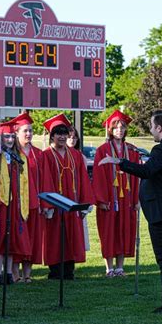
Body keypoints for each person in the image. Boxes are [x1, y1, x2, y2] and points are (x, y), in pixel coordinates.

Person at [98, 110, 162, 314]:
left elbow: (147, 171)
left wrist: (119, 162)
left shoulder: (161, 150)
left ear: (159, 128)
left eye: (151, 125)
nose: (150, 129)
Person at [41, 114, 94, 280]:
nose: (63, 137)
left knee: (72, 235)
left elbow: (84, 179)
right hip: (55, 203)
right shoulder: (46, 155)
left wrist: (85, 204)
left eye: (65, 134)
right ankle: (55, 271)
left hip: (73, 203)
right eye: (58, 134)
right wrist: (48, 205)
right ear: (52, 136)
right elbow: (45, 180)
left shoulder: (76, 155)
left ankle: (69, 270)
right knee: (55, 236)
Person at [92, 110, 140, 277]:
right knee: (109, 232)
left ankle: (120, 267)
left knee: (124, 231)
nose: (119, 130)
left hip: (126, 198)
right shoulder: (102, 150)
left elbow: (137, 177)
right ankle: (109, 268)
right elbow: (97, 177)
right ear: (110, 130)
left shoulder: (132, 151)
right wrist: (101, 199)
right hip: (109, 198)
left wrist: (136, 199)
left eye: (122, 127)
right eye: (116, 127)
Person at [0, 120, 30, 285]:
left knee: (11, 238)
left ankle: (9, 272)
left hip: (14, 204)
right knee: (0, 237)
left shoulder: (18, 158)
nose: (10, 140)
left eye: (12, 137)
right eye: (6, 137)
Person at [11, 112, 44, 283]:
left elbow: (45, 180)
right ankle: (15, 274)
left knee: (32, 238)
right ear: (16, 132)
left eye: (30, 131)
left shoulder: (38, 154)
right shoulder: (11, 153)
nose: (28, 134)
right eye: (25, 131)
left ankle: (28, 274)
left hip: (34, 203)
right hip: (17, 204)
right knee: (18, 238)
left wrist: (45, 204)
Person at [66, 127, 91, 253]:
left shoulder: (81, 157)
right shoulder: (53, 154)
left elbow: (84, 180)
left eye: (74, 137)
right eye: (69, 136)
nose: (72, 139)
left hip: (76, 196)